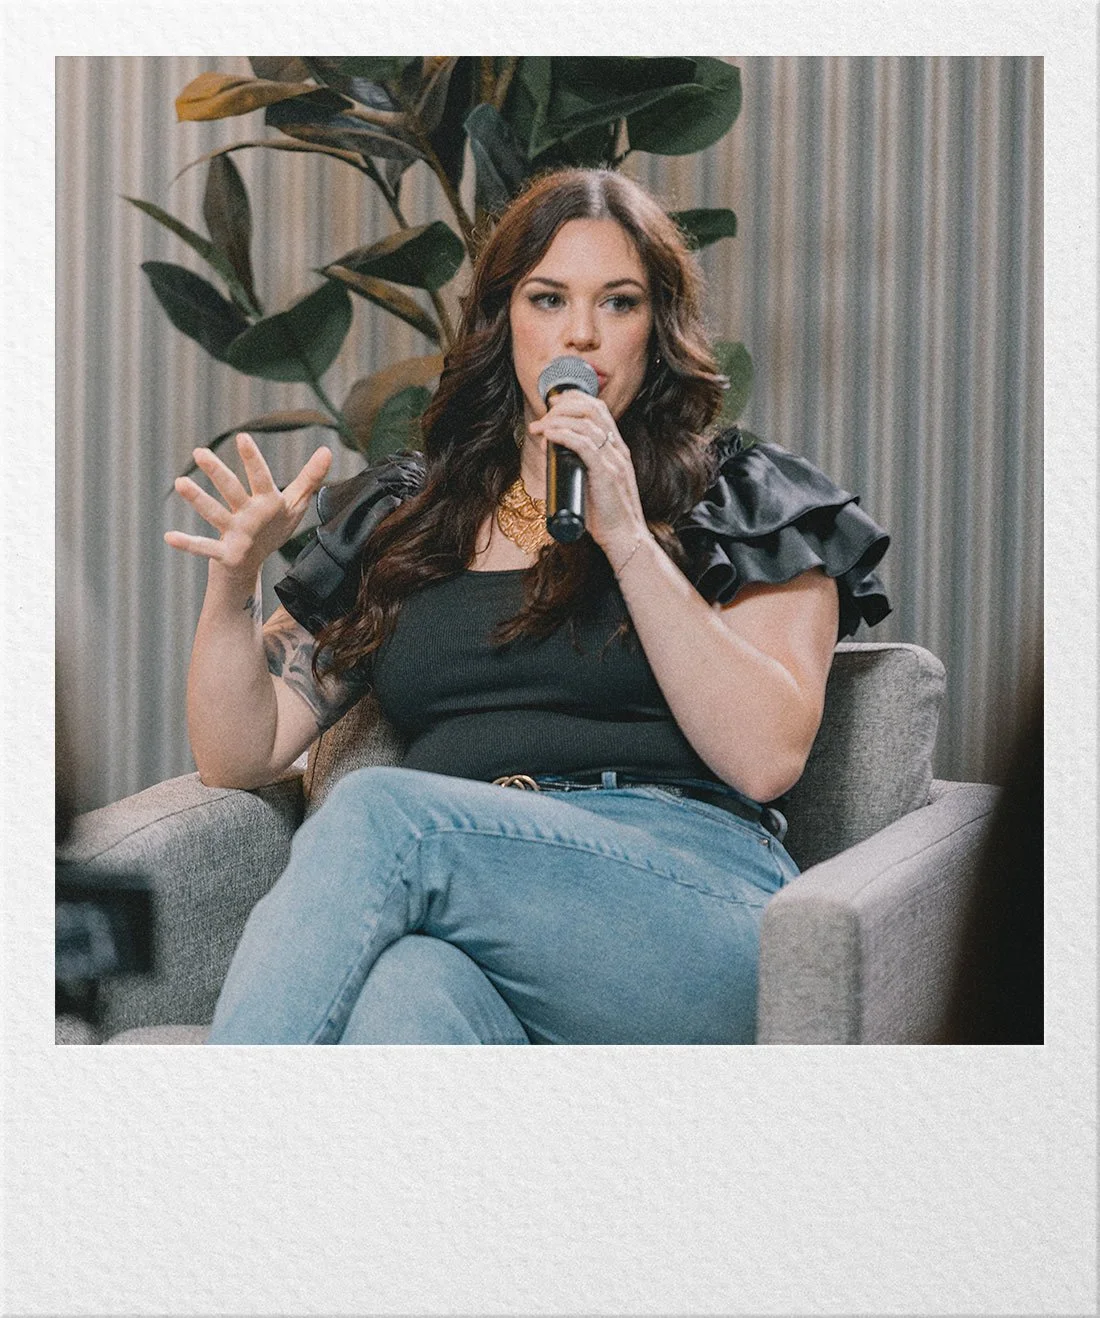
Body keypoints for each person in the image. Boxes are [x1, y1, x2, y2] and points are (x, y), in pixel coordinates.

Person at [165, 167, 890, 1045]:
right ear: (503, 317)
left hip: (689, 909)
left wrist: (625, 532)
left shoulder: (740, 496)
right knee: (406, 991)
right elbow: (241, 753)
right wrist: (233, 586)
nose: (580, 333)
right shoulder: (411, 519)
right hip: (473, 917)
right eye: (548, 298)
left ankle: (198, 1153)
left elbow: (767, 756)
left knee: (378, 811)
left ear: (657, 327)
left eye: (618, 303)